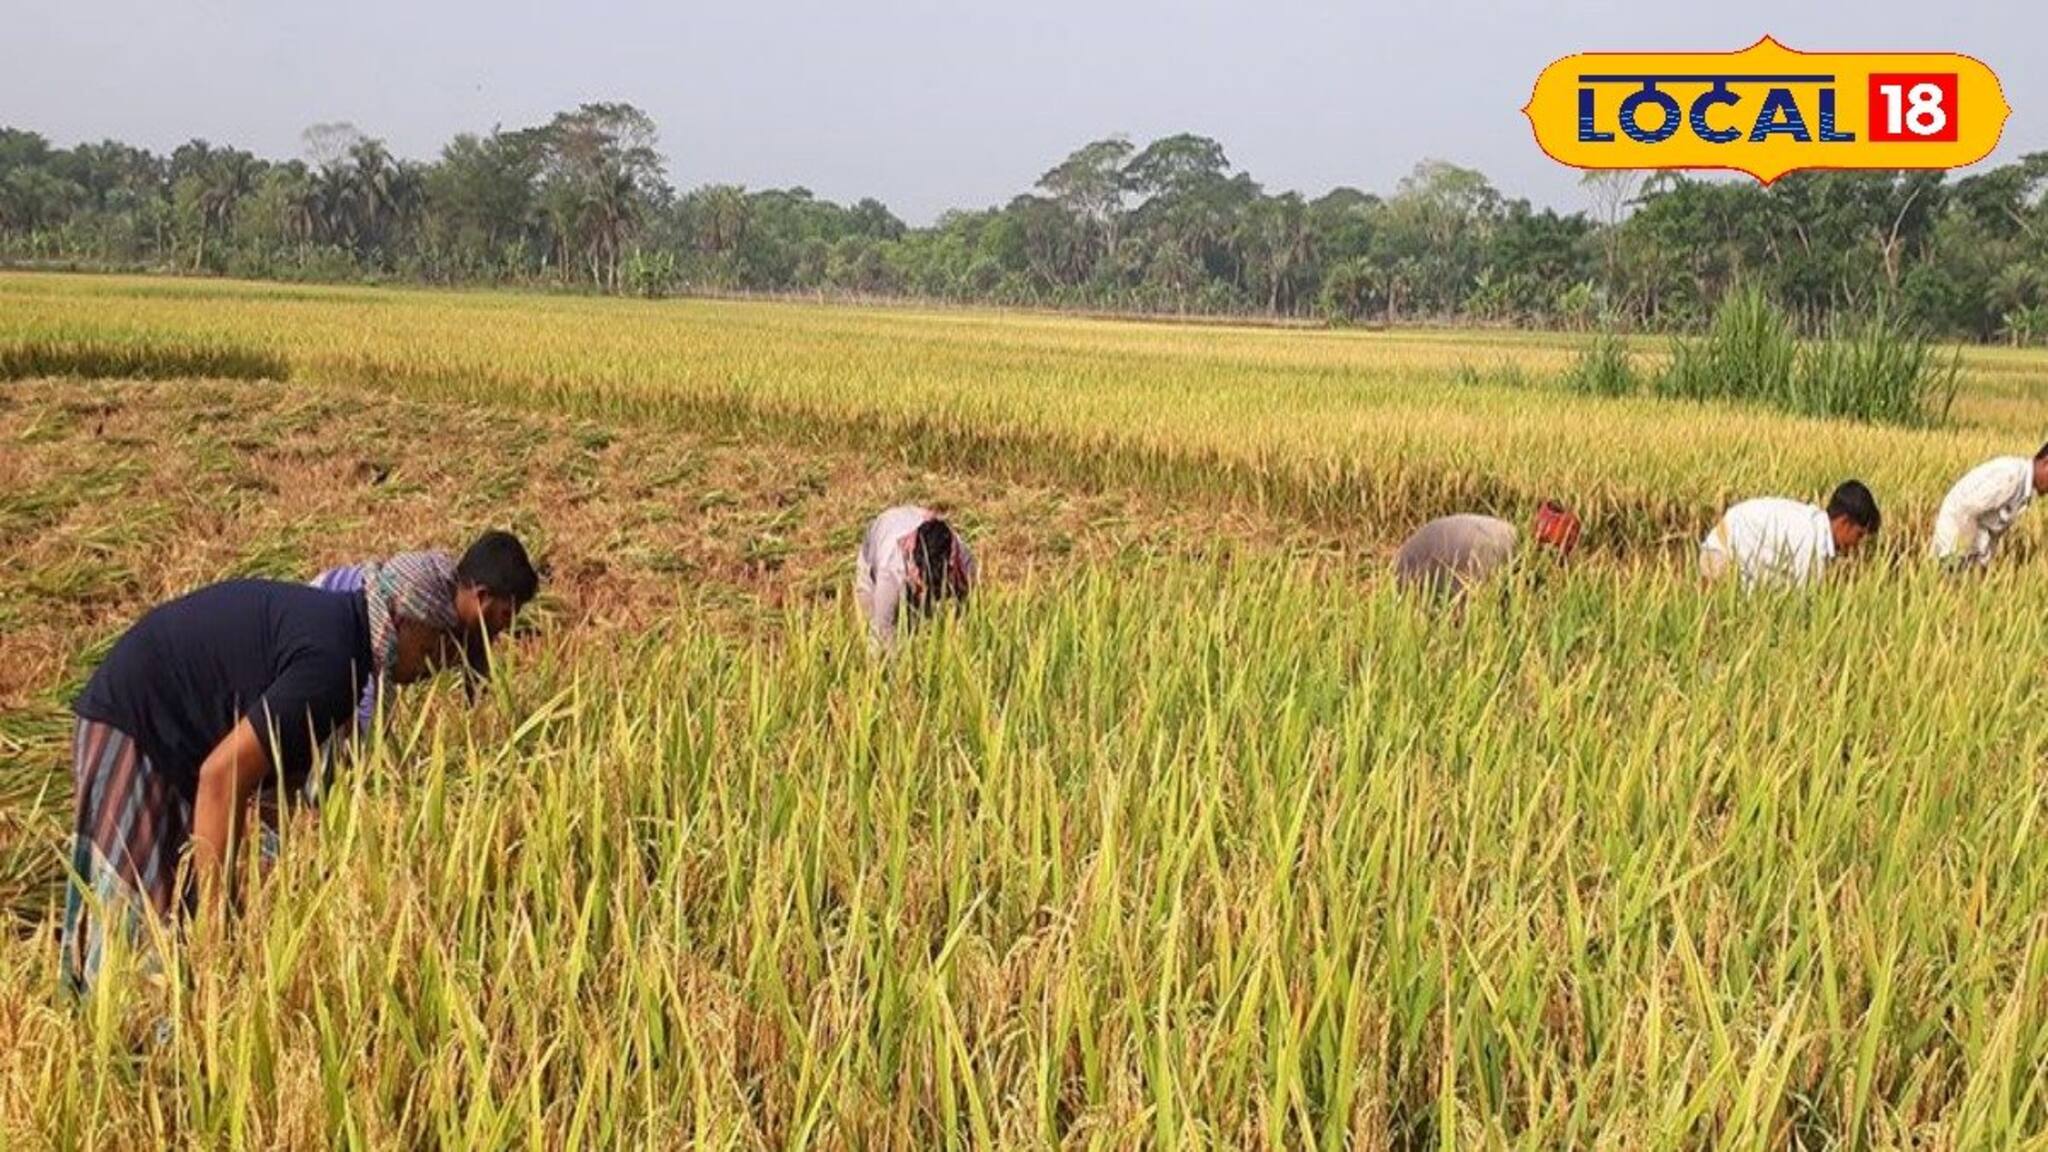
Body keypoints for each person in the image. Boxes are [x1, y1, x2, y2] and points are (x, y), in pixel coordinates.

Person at [62, 555, 466, 994]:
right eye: (431, 648)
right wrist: (218, 937)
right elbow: (223, 777)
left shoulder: (341, 638)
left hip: (177, 733)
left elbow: (270, 784)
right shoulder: (333, 666)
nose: (433, 667)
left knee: (177, 906)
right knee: (130, 930)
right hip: (138, 720)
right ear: (402, 620)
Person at [310, 530, 540, 738]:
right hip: (324, 607)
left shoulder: (476, 625)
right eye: (506, 614)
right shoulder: (419, 594)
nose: (508, 626)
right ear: (481, 597)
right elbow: (376, 657)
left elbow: (477, 680)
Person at [1699, 481, 1880, 590]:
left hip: (1728, 548)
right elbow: (1802, 604)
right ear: (1844, 523)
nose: (1857, 544)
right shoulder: (1810, 542)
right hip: (1721, 554)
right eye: (1859, 535)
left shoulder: (1813, 524)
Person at [1393, 500, 1582, 595]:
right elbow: (1475, 604)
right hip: (1411, 568)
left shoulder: (1509, 535)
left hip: (1423, 555)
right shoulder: (1497, 549)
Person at [855, 506, 975, 651]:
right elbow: (881, 632)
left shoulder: (962, 559)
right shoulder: (890, 570)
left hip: (908, 523)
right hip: (874, 551)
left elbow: (968, 610)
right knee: (879, 629)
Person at [1929, 444, 2048, 569]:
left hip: (1968, 552)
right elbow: (1965, 510)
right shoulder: (2010, 476)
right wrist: (1964, 557)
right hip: (1954, 543)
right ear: (2046, 463)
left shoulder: (2024, 489)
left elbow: (1991, 528)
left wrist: (1983, 563)